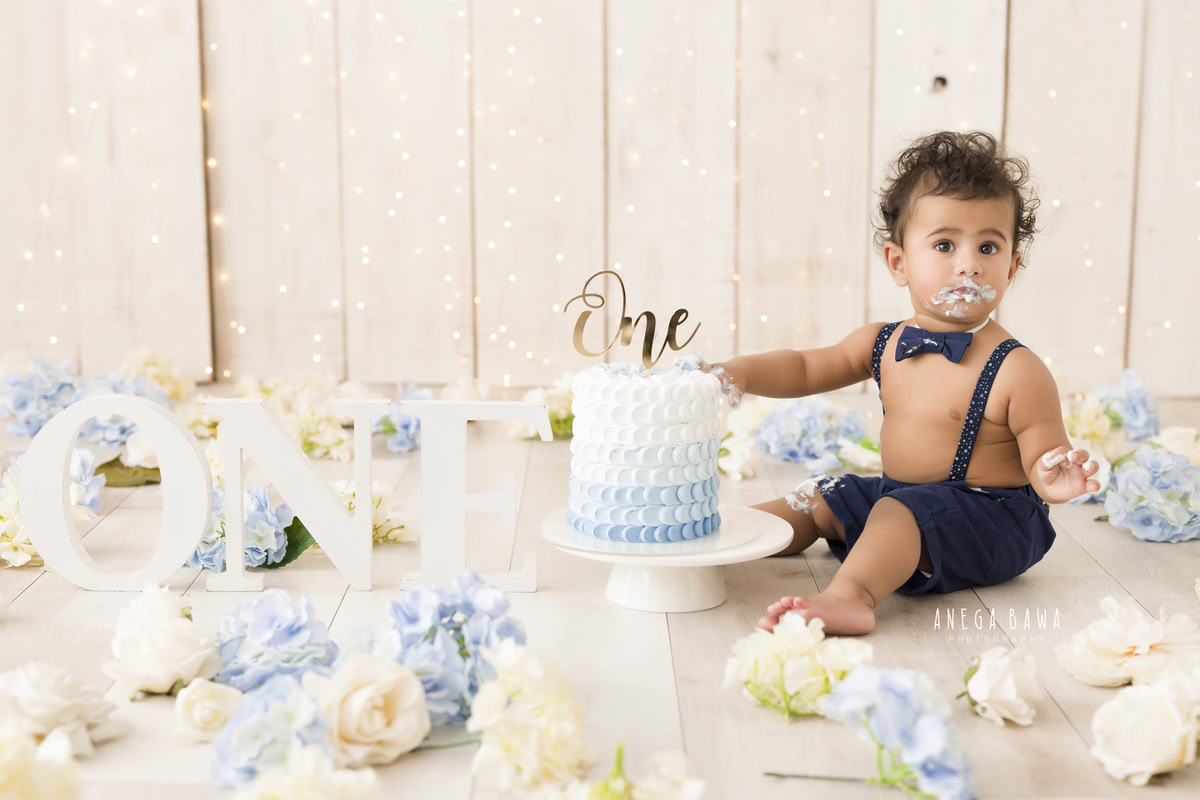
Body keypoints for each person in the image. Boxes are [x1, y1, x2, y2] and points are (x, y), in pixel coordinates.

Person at [704, 130, 1100, 635]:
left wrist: (1052, 473)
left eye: (988, 245)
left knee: (897, 510)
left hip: (993, 521)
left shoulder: (1017, 368)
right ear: (899, 262)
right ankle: (723, 538)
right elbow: (806, 367)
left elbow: (1043, 451)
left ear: (1012, 266)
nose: (968, 263)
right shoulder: (884, 342)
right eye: (943, 244)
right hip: (907, 499)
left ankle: (851, 595)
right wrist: (739, 371)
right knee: (823, 495)